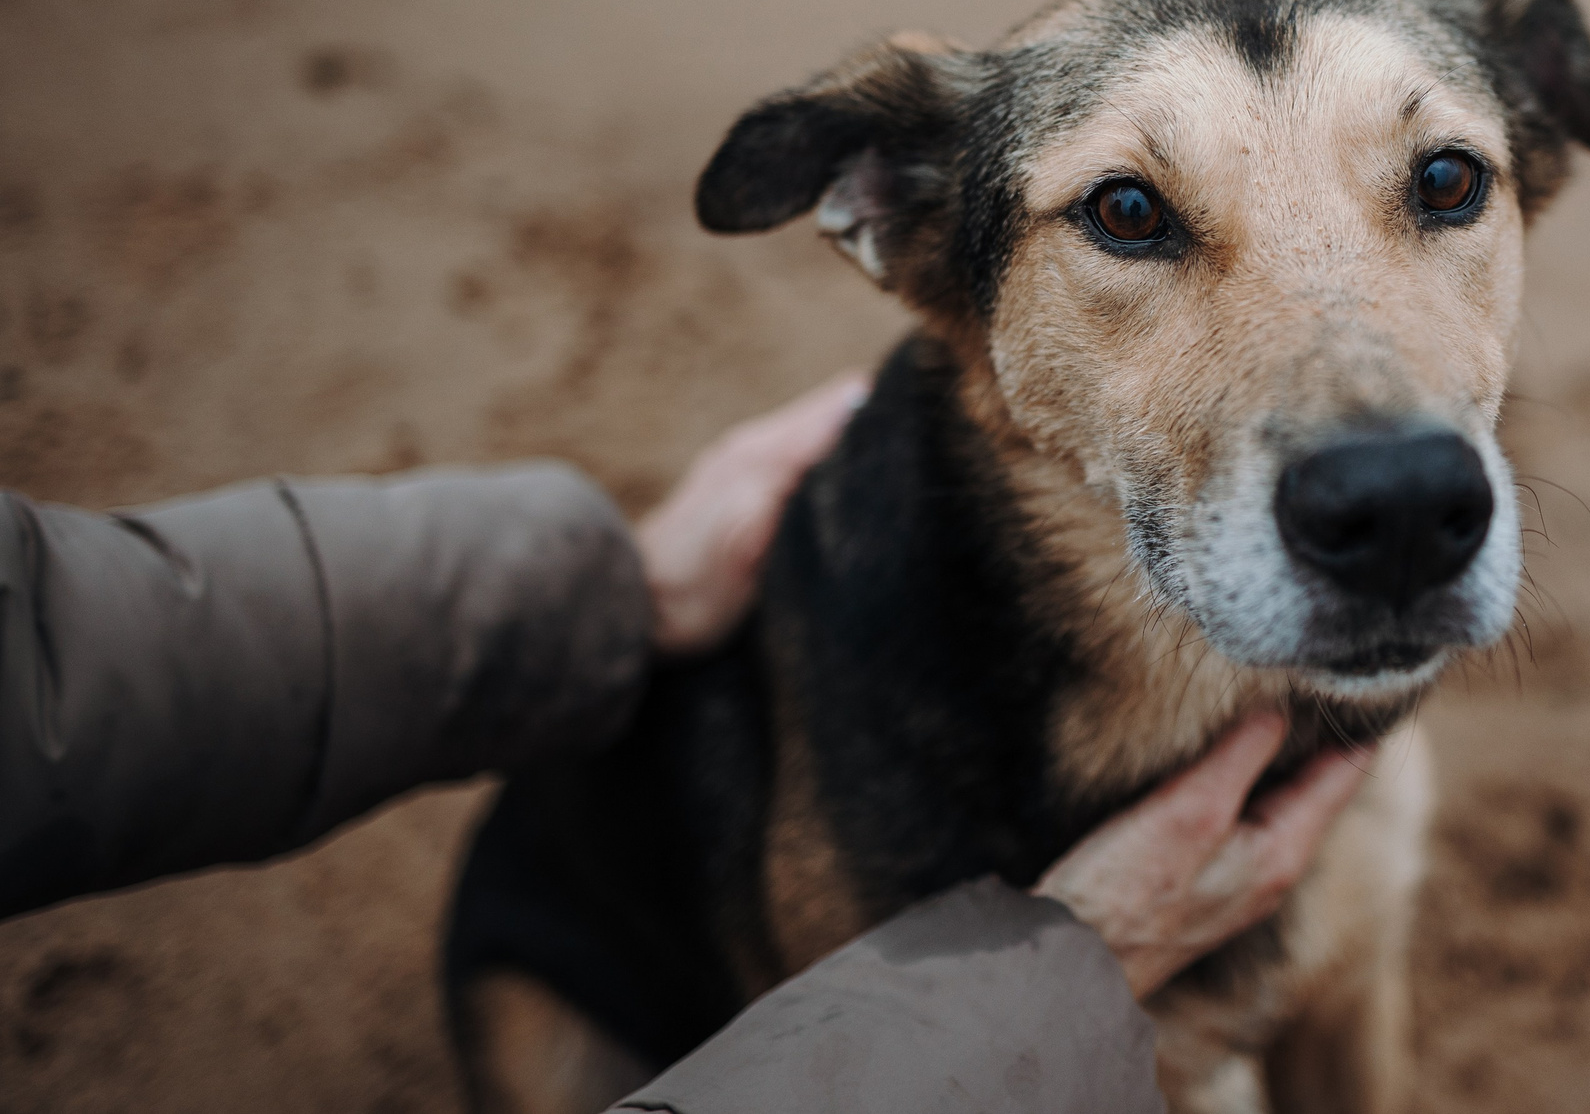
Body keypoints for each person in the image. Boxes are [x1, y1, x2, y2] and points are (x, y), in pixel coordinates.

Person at [1, 375, 1373, 1112]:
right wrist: (1039, 986)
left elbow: (44, 655)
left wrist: (608, 592)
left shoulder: (1369, 662)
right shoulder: (865, 789)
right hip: (617, 1009)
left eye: (1441, 185)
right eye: (1129, 212)